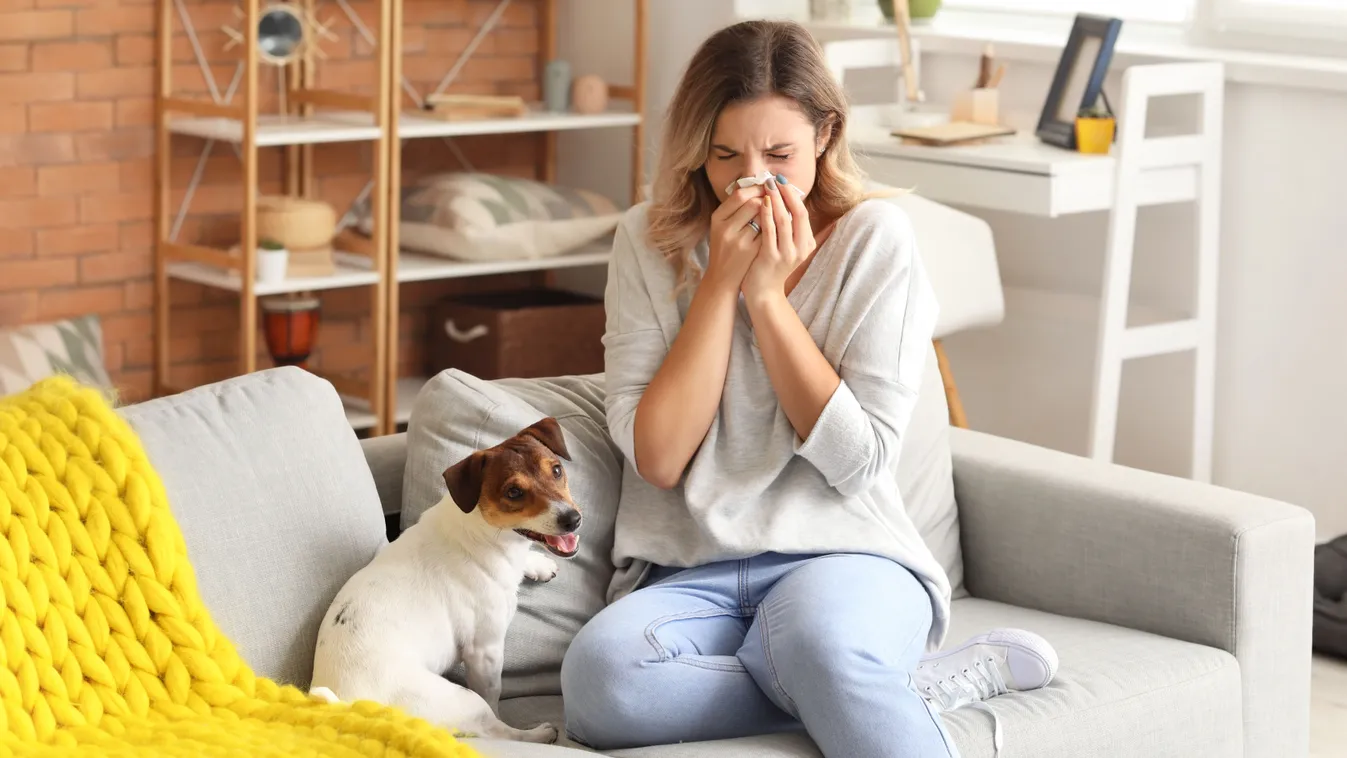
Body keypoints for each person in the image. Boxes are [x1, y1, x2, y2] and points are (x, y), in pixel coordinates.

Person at [560, 20, 1056, 758]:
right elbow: (658, 458)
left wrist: (765, 300)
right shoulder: (647, 240)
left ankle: (845, 675)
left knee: (821, 649)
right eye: (724, 155)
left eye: (779, 155)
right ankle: (889, 686)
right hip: (687, 568)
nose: (749, 179)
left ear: (824, 136)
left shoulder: (873, 239)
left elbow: (858, 463)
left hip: (843, 555)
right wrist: (718, 286)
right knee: (604, 686)